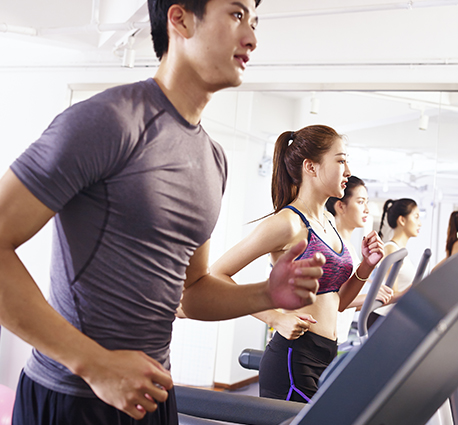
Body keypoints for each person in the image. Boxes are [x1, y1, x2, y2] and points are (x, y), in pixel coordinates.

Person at [0, 1, 327, 424]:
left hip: (152, 392)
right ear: (180, 19)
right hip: (72, 395)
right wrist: (94, 363)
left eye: (254, 21)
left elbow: (191, 292)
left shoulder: (212, 159)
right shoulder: (108, 121)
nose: (252, 37)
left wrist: (266, 294)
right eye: (236, 14)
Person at [210, 125, 385, 403]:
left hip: (326, 353)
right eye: (340, 160)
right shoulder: (288, 223)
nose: (348, 170)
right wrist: (275, 318)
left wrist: (365, 267)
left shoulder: (329, 223)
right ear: (311, 167)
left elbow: (335, 302)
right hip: (294, 357)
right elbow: (216, 275)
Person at [325, 176, 393, 344]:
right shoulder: (332, 245)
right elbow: (329, 300)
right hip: (322, 338)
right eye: (361, 202)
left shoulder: (351, 248)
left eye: (366, 202)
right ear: (341, 206)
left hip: (336, 339)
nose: (367, 210)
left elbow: (346, 299)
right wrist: (369, 296)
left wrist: (374, 298)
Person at [368, 198, 421, 327]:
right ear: (402, 220)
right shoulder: (391, 249)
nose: (419, 223)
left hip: (392, 318)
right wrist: (414, 288)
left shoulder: (401, 252)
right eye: (416, 217)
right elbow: (390, 296)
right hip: (381, 319)